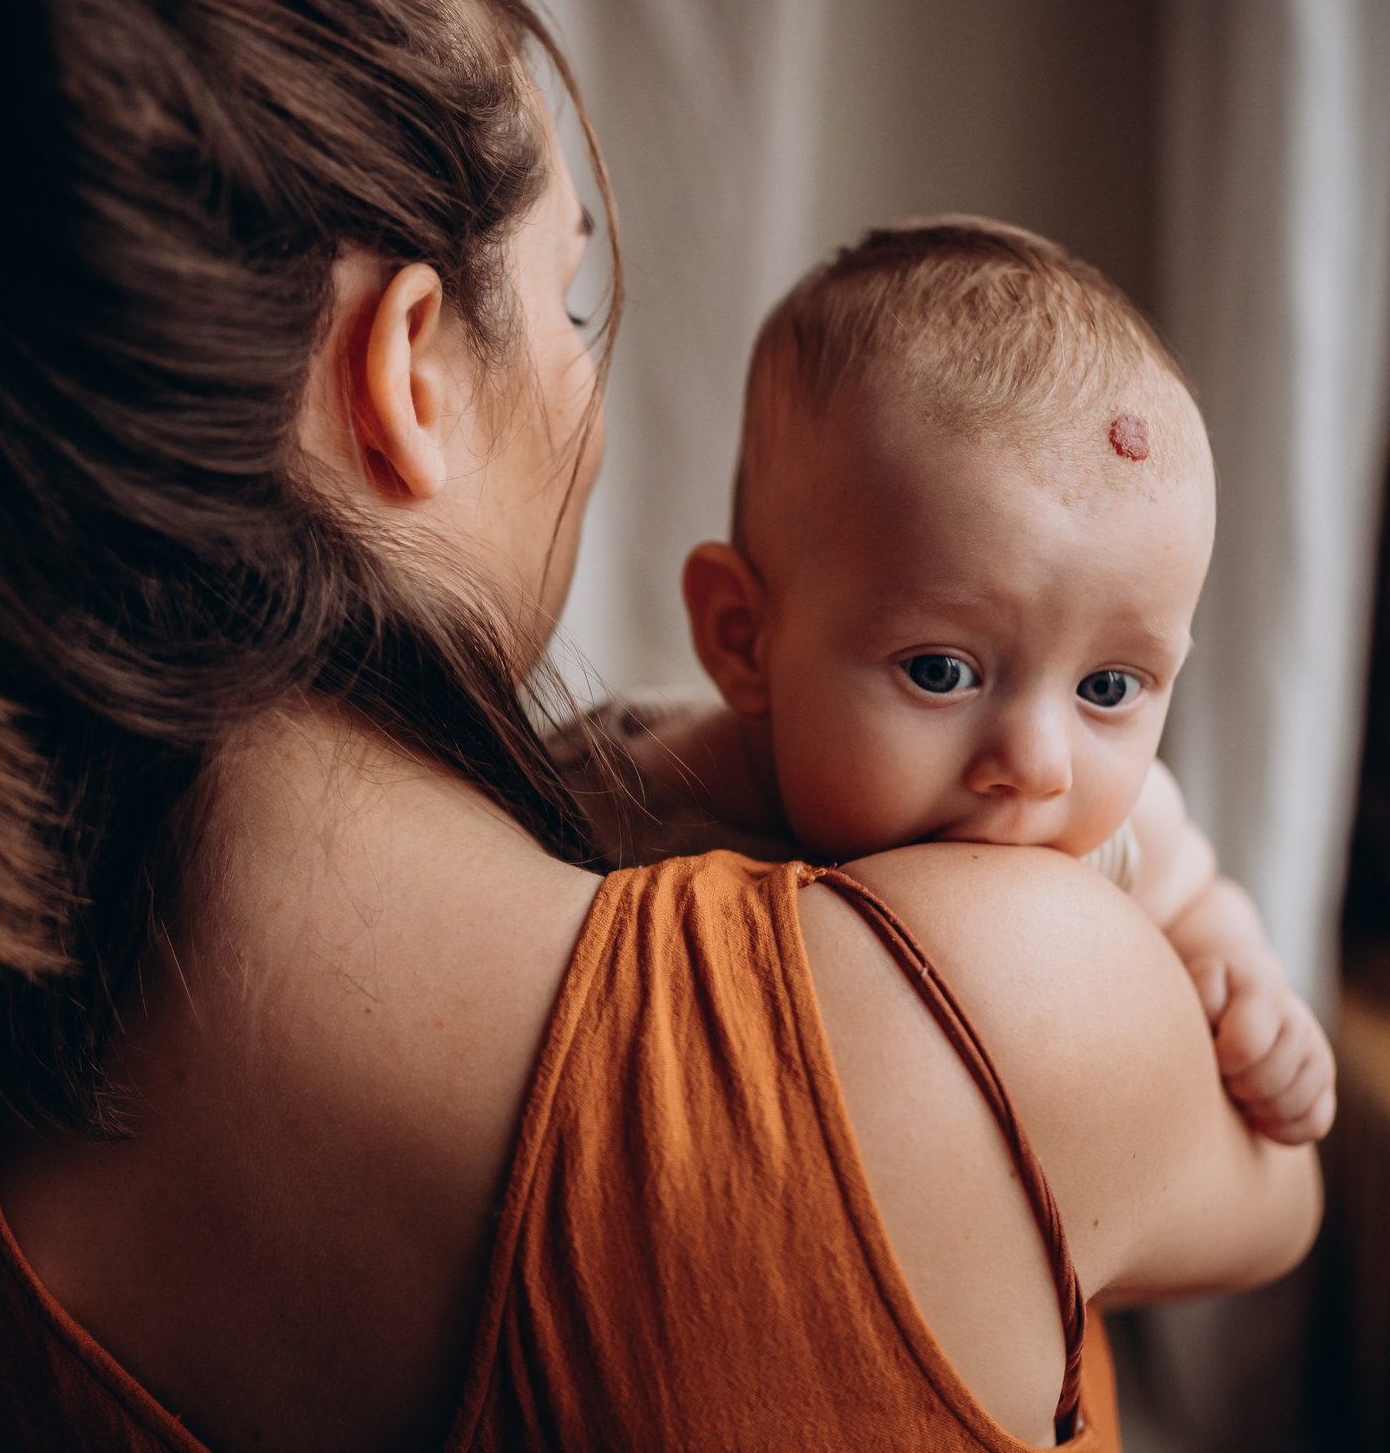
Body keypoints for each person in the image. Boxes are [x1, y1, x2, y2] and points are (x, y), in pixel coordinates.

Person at [0, 0, 1321, 1448]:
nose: (588, 394)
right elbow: (1271, 1174)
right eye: (570, 301)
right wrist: (1170, 890)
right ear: (404, 370)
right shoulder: (982, 999)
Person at [568, 218, 1336, 1146]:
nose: (1039, 765)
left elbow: (1197, 896)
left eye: (1108, 690)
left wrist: (1238, 978)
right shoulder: (612, 810)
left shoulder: (1107, 843)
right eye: (942, 672)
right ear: (744, 638)